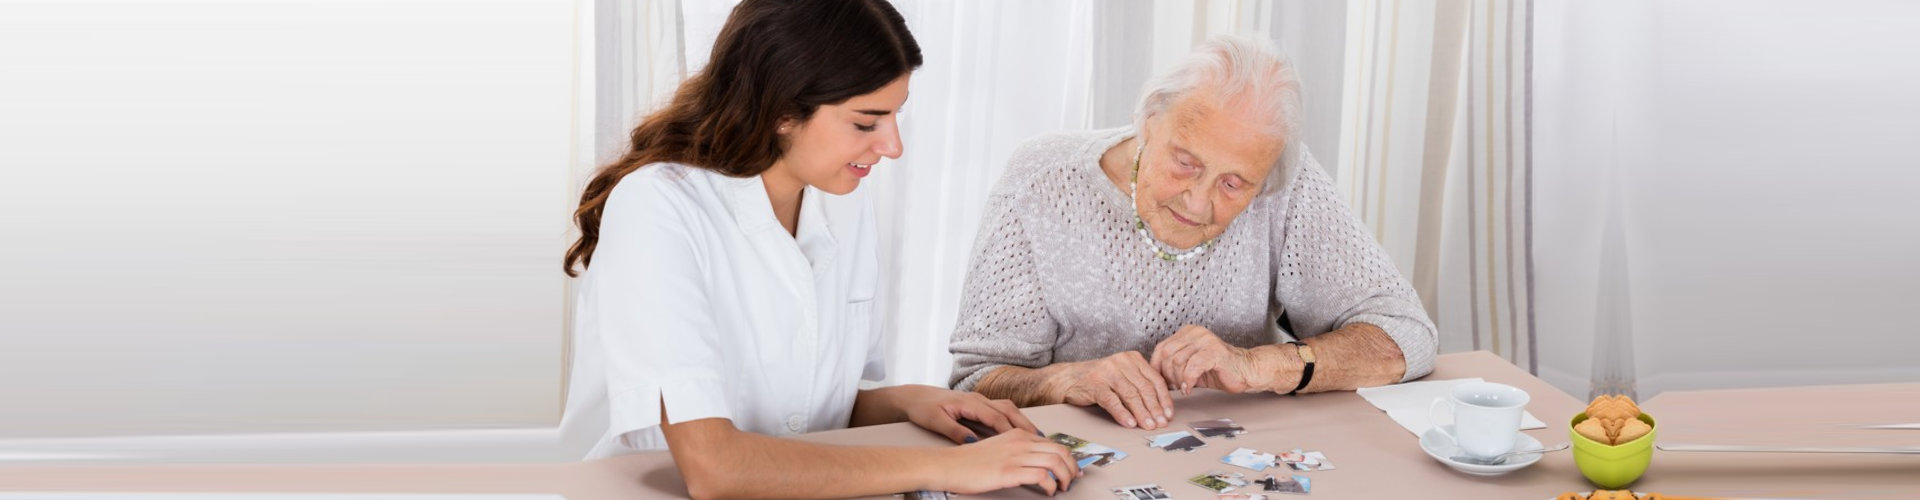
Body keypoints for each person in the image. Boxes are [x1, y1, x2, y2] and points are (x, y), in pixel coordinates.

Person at [559, 1, 1077, 498]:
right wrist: (952, 468)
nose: (893, 146)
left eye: (895, 117)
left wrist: (908, 402)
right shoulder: (658, 206)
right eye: (865, 122)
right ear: (782, 111)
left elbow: (798, 407)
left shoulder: (841, 200)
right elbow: (712, 466)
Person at [947, 35, 1438, 430]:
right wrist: (1063, 380)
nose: (1198, 201)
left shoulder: (1285, 183)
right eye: (1185, 162)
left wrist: (1256, 366)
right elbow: (974, 382)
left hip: (1235, 455)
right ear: (1148, 120)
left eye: (1233, 184)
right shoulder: (1041, 180)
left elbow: (1407, 337)